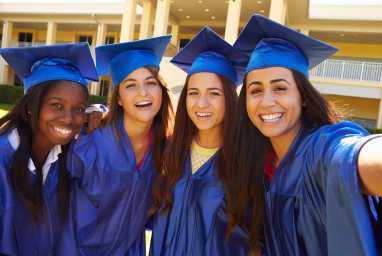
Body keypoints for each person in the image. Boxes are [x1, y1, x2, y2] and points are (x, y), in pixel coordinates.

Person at [227, 14, 382, 255]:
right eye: (255, 90)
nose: (267, 101)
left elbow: (354, 154)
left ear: (302, 97)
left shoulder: (322, 149)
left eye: (280, 88)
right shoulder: (258, 165)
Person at [59, 36, 174, 256]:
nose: (143, 93)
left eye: (151, 83)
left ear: (161, 91)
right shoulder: (87, 145)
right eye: (130, 85)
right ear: (119, 98)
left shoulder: (166, 152)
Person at [150, 27, 249, 256]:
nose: (201, 104)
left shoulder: (245, 162)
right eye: (193, 93)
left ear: (229, 99)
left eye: (214, 93)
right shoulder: (170, 152)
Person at [0, 43, 98, 255]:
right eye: (56, 105)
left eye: (79, 109)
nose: (69, 119)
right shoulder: (2, 161)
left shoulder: (63, 161)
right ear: (29, 107)